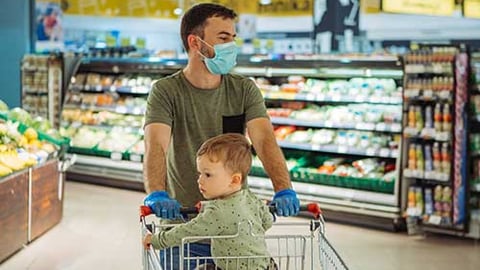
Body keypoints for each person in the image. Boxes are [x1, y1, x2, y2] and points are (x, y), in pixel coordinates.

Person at [143, 2, 299, 269]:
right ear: (196, 42)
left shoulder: (243, 90)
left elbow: (263, 140)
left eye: (233, 39)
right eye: (223, 38)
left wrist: (283, 188)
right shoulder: (166, 92)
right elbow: (156, 144)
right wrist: (157, 192)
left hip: (236, 227)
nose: (232, 47)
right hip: (184, 222)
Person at [143, 133, 277, 269]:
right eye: (199, 173)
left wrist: (156, 240)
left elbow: (188, 232)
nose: (200, 180)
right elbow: (267, 221)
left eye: (207, 175)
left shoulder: (217, 212)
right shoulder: (250, 198)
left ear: (234, 179)